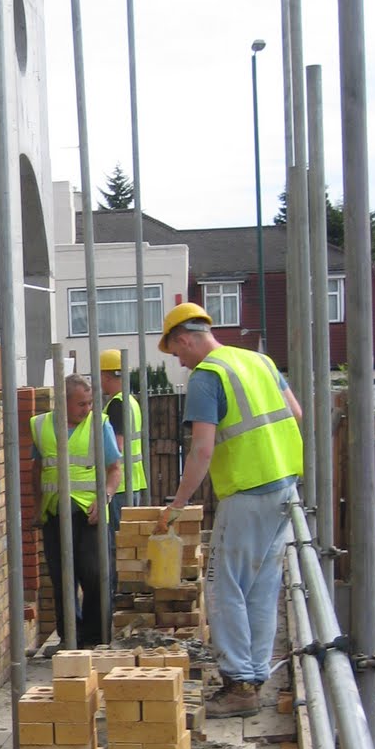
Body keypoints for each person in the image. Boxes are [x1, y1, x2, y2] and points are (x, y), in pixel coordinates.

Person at [155, 304, 303, 717]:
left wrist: (178, 504)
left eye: (176, 352)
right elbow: (295, 413)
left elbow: (202, 449)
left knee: (223, 586)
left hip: (246, 492)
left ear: (186, 339)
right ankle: (253, 678)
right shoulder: (259, 361)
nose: (179, 361)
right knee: (260, 587)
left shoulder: (208, 376)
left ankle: (238, 684)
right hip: (285, 488)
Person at [30, 372, 122, 649]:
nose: (88, 409)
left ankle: (95, 638)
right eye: (81, 404)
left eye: (90, 402)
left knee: (95, 575)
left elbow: (114, 469)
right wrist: (37, 507)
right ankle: (70, 637)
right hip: (55, 513)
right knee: (62, 579)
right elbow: (37, 469)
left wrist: (104, 496)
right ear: (63, 403)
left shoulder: (98, 425)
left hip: (88, 514)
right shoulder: (41, 425)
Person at [98, 349, 146, 599]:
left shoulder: (116, 404)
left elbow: (116, 448)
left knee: (117, 546)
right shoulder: (132, 401)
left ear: (106, 375)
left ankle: (118, 597)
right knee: (128, 544)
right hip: (134, 482)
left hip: (119, 486)